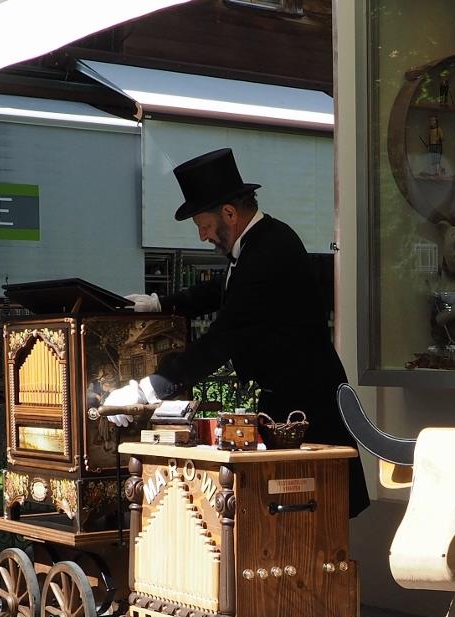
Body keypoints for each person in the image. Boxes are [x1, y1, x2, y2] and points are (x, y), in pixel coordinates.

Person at [102, 147, 370, 518]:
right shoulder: (262, 242)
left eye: (204, 225)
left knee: (308, 516)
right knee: (284, 515)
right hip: (288, 404)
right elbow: (219, 292)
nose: (202, 236)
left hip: (306, 409)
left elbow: (222, 338)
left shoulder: (268, 252)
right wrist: (159, 304)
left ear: (229, 213)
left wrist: (146, 389)